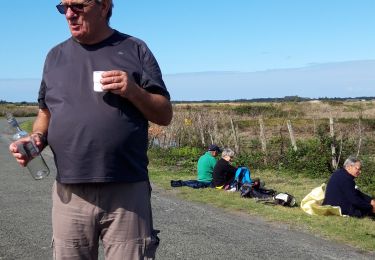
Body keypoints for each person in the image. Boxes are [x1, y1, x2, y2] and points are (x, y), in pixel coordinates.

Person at [8, 1, 172, 259]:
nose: (70, 14)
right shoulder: (54, 56)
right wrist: (37, 139)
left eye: (79, 6)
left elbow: (164, 114)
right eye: (64, 8)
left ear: (104, 6)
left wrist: (134, 91)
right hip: (70, 193)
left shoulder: (134, 48)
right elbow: (45, 112)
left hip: (127, 190)